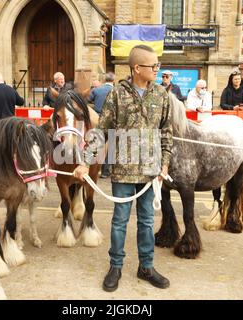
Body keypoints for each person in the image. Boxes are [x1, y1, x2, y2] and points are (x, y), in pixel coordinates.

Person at [74, 44, 173, 292]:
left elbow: (166, 132)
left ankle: (146, 267)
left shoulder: (162, 95)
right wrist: (85, 161)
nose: (157, 69)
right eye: (153, 66)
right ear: (137, 68)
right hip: (123, 172)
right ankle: (115, 267)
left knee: (147, 223)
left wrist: (164, 163)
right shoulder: (117, 94)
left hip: (150, 173)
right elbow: (101, 131)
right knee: (119, 222)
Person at [88, 72, 116, 178]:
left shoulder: (96, 90)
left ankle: (93, 167)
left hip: (97, 119)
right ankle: (106, 171)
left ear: (104, 80)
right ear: (113, 80)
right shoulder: (116, 90)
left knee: (96, 144)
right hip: (112, 121)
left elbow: (86, 100)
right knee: (110, 145)